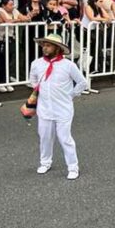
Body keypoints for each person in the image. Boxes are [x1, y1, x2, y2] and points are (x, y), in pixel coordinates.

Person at [28, 33, 88, 179]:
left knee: (64, 138)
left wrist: (71, 95)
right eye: (44, 45)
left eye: (48, 45)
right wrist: (38, 89)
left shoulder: (68, 65)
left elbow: (82, 83)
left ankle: (73, 167)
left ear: (57, 48)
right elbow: (32, 80)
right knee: (45, 137)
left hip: (63, 109)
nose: (45, 48)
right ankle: (45, 162)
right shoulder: (36, 63)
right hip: (44, 108)